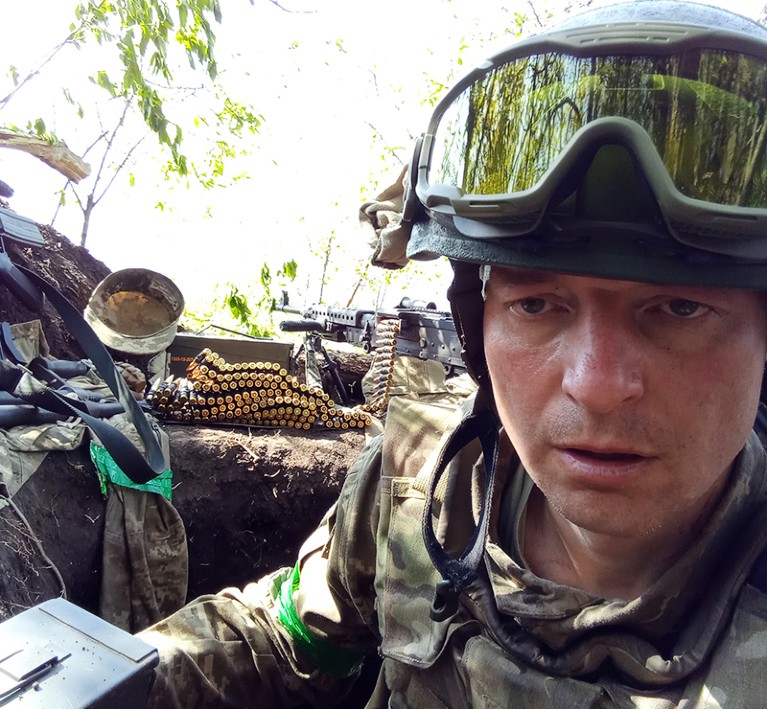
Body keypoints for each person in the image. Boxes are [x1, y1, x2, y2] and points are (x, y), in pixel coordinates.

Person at [140, 1, 767, 705]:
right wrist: (103, 675)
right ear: (477, 322)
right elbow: (286, 634)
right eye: (535, 304)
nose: (595, 385)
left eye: (679, 308)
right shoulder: (424, 479)